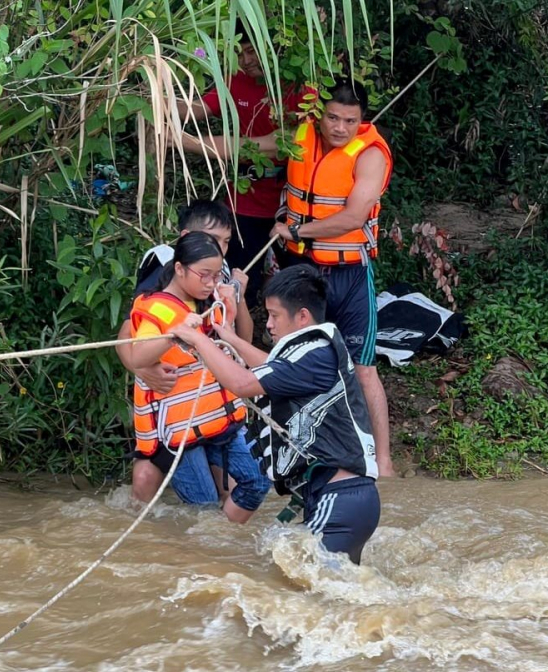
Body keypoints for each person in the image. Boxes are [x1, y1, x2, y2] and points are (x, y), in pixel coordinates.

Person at [171, 265, 380, 564]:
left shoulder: (317, 353)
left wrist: (197, 340)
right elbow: (271, 366)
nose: (268, 325)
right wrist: (225, 336)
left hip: (340, 499)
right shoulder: (313, 353)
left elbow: (243, 383)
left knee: (302, 593)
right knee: (327, 595)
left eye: (275, 315)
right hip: (347, 500)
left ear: (303, 316)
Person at [270, 79, 395, 478]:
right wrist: (183, 139)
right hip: (303, 273)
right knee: (293, 357)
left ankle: (385, 464)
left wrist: (297, 231)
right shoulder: (300, 136)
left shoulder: (370, 155)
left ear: (363, 121)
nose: (340, 128)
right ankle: (297, 457)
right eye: (333, 118)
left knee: (363, 369)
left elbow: (355, 217)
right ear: (319, 114)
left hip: (350, 275)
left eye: (350, 120)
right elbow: (248, 146)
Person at [115, 200, 254, 505]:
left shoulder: (221, 272)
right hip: (173, 400)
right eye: (211, 239)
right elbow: (129, 332)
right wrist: (141, 369)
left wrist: (238, 295)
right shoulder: (164, 265)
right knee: (149, 480)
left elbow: (243, 338)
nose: (218, 248)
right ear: (185, 237)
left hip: (212, 401)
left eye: (225, 241)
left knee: (231, 489)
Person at [176, 22, 307, 307]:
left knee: (299, 283)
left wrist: (181, 141)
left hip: (292, 203)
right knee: (239, 281)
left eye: (251, 52)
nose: (246, 62)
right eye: (240, 53)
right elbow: (197, 106)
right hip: (243, 201)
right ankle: (232, 343)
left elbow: (274, 143)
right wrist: (149, 102)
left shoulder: (299, 86)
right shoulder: (235, 78)